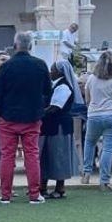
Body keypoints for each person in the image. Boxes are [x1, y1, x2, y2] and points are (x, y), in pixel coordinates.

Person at [0, 32, 52, 205]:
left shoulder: (6, 66)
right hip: (32, 117)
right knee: (32, 155)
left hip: (7, 117)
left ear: (15, 45)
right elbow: (48, 91)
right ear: (31, 46)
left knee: (7, 156)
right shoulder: (40, 65)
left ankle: (5, 195)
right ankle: (34, 195)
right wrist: (40, 107)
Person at [80, 49, 112, 191]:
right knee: (108, 148)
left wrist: (93, 110)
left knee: (89, 143)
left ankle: (86, 173)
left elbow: (87, 100)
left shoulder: (91, 80)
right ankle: (104, 180)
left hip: (94, 115)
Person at [39, 60, 79, 200]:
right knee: (46, 155)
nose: (50, 72)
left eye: (52, 70)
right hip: (50, 126)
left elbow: (55, 107)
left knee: (58, 155)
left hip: (59, 126)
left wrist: (37, 114)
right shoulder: (55, 86)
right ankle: (42, 186)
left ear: (60, 72)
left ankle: (59, 188)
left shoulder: (63, 87)